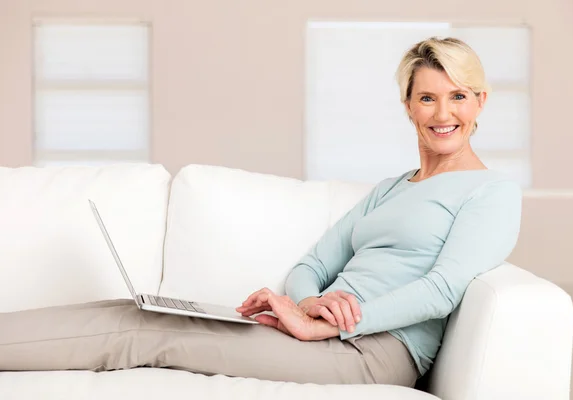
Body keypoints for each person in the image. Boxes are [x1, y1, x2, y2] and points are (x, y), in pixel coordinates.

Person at [0, 37, 521, 388]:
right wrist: (303, 305)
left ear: (479, 102)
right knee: (143, 310)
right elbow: (315, 263)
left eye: (458, 96)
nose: (443, 113)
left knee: (144, 333)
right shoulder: (392, 188)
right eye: (427, 98)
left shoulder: (491, 192)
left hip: (373, 353)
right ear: (408, 106)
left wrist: (335, 327)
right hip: (322, 332)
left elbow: (442, 290)